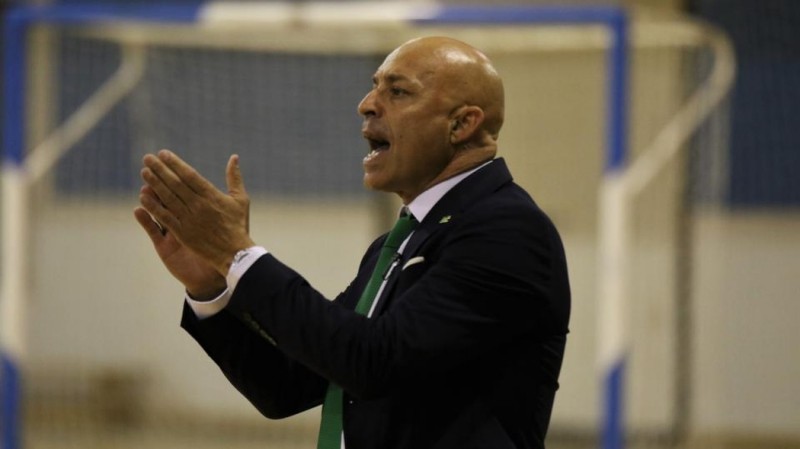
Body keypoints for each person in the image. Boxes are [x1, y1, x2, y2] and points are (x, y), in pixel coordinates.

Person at [134, 36, 570, 449]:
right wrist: (212, 284)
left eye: (397, 92)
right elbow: (287, 386)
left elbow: (373, 362)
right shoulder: (402, 239)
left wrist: (238, 254)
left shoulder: (507, 230)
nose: (366, 105)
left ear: (461, 123)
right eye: (373, 87)